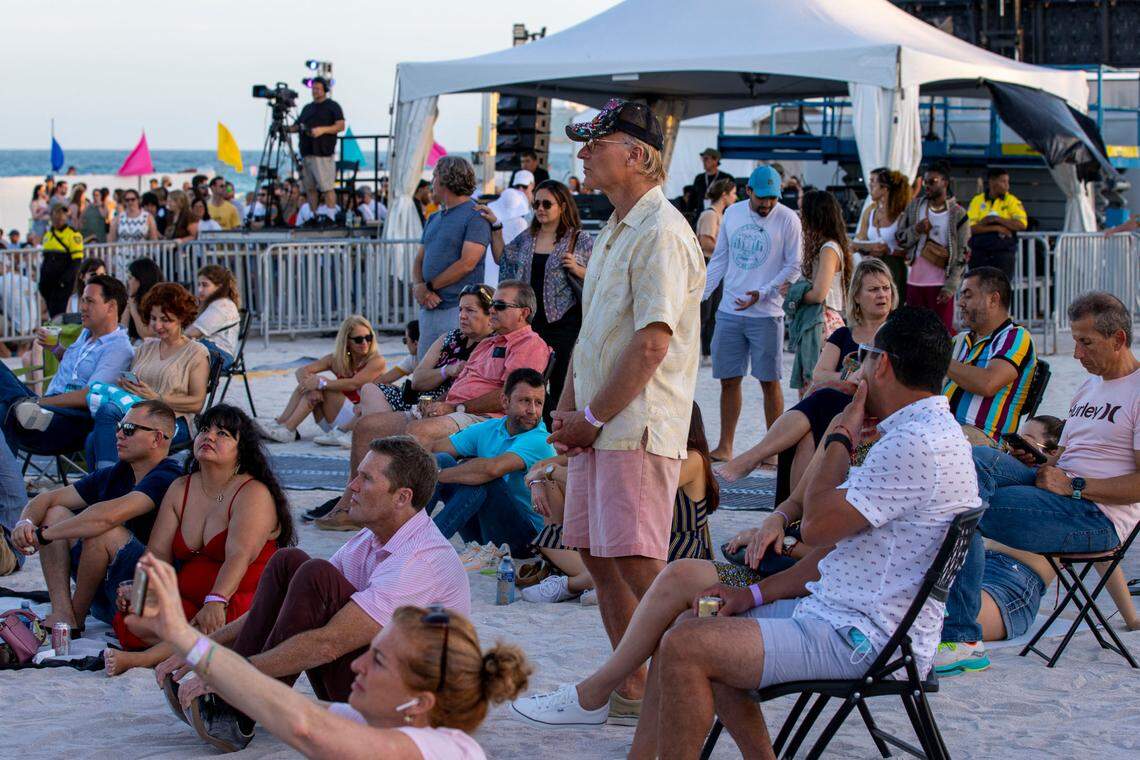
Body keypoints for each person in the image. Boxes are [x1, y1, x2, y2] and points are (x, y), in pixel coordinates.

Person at [160, 436, 471, 749]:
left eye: (366, 478)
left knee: (315, 573)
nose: (352, 485)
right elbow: (284, 607)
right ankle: (236, 703)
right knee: (290, 562)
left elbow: (328, 644)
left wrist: (231, 676)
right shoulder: (370, 538)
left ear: (402, 497)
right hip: (377, 677)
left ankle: (238, 706)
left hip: (411, 712)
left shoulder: (420, 560)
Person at [552, 98, 704, 723]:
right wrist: (569, 410)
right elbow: (596, 337)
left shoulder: (662, 231)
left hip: (634, 425)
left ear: (639, 155)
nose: (584, 153)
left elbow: (652, 343)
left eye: (597, 142)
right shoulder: (615, 229)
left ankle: (705, 679)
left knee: (642, 566)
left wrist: (588, 415)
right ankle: (636, 686)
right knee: (599, 556)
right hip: (602, 423)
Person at [130, 551, 525, 759]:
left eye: (378, 660)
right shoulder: (378, 721)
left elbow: (304, 725)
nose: (357, 663)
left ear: (420, 701)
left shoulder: (446, 751)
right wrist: (189, 644)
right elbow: (275, 703)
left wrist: (184, 636)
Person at [938, 291, 1140, 675]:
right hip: (1061, 489)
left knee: (966, 507)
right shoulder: (1090, 387)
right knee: (974, 459)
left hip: (1092, 516)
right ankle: (947, 615)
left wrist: (1075, 485)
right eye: (1075, 341)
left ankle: (962, 635)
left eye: (1086, 342)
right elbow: (1065, 458)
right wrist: (1041, 460)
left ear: (1118, 340)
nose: (1077, 354)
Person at [321, 282, 551, 530]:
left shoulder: (528, 345)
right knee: (367, 426)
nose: (492, 309)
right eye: (492, 304)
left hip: (483, 418)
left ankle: (402, 518)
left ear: (524, 313)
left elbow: (509, 396)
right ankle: (352, 505)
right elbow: (453, 384)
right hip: (456, 411)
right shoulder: (490, 343)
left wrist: (455, 408)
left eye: (499, 305)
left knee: (419, 434)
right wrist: (439, 404)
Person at [104, 405, 294, 676]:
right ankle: (185, 645)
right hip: (189, 596)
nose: (210, 437)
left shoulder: (253, 493)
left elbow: (239, 555)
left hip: (238, 594)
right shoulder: (181, 487)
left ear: (242, 450)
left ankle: (143, 660)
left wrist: (216, 600)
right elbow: (157, 554)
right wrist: (142, 588)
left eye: (223, 433)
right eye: (205, 429)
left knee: (215, 624)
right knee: (137, 619)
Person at [718, 258, 896, 494]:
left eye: (886, 288)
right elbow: (818, 375)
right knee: (807, 432)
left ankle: (756, 458)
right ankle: (794, 516)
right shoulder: (843, 335)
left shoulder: (896, 333)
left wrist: (844, 381)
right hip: (837, 410)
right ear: (856, 296)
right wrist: (846, 380)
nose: (882, 295)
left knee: (821, 402)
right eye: (873, 289)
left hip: (870, 414)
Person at [10, 401, 182, 631]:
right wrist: (26, 522)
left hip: (140, 597)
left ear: (157, 438)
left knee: (103, 532)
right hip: (105, 596)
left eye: (129, 429)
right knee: (56, 513)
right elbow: (48, 499)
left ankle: (76, 618)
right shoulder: (117, 473)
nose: (119, 433)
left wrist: (44, 535)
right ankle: (62, 612)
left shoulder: (169, 476)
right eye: (120, 426)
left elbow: (106, 518)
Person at [703, 165, 802, 461]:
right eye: (762, 198)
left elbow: (794, 265)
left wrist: (764, 291)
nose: (768, 204)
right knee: (728, 380)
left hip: (767, 314)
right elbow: (720, 259)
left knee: (769, 382)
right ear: (748, 192)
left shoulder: (788, 219)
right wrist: (701, 294)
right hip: (730, 310)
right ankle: (725, 445)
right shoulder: (732, 214)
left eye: (773, 198)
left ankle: (773, 451)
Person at [490, 179, 593, 423]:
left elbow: (604, 275)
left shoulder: (580, 239)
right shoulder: (527, 238)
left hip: (564, 323)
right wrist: (495, 227)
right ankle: (533, 429)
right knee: (530, 382)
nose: (540, 209)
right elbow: (503, 260)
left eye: (547, 203)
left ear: (563, 206)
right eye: (536, 203)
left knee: (560, 383)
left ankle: (558, 432)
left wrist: (579, 270)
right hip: (530, 324)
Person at [1, 275, 133, 457]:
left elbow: (91, 394)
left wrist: (40, 402)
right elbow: (78, 369)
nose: (82, 307)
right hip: (45, 408)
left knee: (5, 411)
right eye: (82, 300)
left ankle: (9, 477)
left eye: (90, 301)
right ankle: (19, 411)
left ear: (111, 306)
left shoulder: (118, 348)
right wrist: (55, 349)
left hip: (68, 421)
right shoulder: (87, 333)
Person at [428, 368, 554, 558]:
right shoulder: (489, 428)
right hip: (485, 532)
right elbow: (435, 450)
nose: (532, 411)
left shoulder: (539, 440)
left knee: (486, 479)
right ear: (505, 401)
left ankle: (423, 545)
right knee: (442, 460)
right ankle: (404, 532)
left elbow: (491, 469)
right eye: (525, 401)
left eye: (538, 403)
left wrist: (437, 475)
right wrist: (436, 470)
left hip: (526, 541)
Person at [84, 283, 210, 469]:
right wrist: (127, 385)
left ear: (182, 319)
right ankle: (111, 484)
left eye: (165, 319)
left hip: (174, 421)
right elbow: (133, 389)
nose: (157, 325)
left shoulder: (196, 353)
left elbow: (197, 403)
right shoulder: (146, 348)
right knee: (93, 437)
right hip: (138, 416)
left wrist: (157, 398)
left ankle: (106, 483)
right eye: (153, 318)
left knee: (107, 415)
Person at [943, 267, 1038, 441]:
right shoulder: (960, 340)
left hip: (984, 440)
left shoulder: (1015, 336)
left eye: (968, 295)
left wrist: (939, 359)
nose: (960, 302)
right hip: (947, 431)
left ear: (993, 299)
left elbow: (988, 383)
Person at [260, 315, 387, 444]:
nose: (365, 342)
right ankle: (282, 423)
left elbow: (353, 384)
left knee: (320, 382)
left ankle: (288, 429)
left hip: (358, 419)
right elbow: (301, 371)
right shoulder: (336, 359)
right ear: (347, 341)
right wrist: (313, 387)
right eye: (359, 339)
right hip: (334, 420)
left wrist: (321, 383)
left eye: (368, 337)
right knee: (310, 384)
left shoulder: (377, 361)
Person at [413, 156, 492, 360]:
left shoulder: (475, 216)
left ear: (446, 180)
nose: (431, 182)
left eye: (434, 176)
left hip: (456, 310)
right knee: (425, 373)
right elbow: (419, 258)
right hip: (429, 307)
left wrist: (429, 286)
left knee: (455, 374)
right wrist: (419, 286)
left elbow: (468, 263)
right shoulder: (433, 218)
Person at [895, 160, 969, 333]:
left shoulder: (958, 214)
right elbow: (900, 238)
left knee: (941, 333)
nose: (927, 186)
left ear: (945, 182)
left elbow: (963, 253)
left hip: (941, 283)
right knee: (914, 332)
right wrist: (916, 230)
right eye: (926, 182)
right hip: (914, 281)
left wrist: (950, 286)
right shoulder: (914, 207)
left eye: (932, 182)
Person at [852, 167, 911, 299]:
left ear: (884, 189)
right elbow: (859, 240)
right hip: (871, 271)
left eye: (873, 181)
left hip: (894, 271)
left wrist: (889, 250)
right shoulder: (870, 211)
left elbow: (910, 250)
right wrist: (865, 249)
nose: (870, 185)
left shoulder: (901, 214)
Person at [696, 178, 738, 363]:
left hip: (717, 265)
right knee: (704, 311)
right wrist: (727, 251)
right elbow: (706, 241)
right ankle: (700, 350)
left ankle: (708, 351)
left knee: (714, 311)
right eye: (733, 193)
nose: (735, 197)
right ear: (724, 195)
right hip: (708, 264)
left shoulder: (721, 216)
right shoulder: (710, 215)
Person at [288, 77, 345, 212]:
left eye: (318, 89)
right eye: (313, 89)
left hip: (323, 154)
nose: (315, 91)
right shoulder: (308, 108)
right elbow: (298, 126)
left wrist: (322, 130)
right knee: (310, 189)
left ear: (324, 90)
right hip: (307, 152)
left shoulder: (333, 106)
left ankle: (331, 215)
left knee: (327, 188)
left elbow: (340, 125)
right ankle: (314, 216)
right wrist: (287, 129)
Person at [967, 167, 1027, 280]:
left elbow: (1021, 224)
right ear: (992, 182)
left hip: (1003, 254)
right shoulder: (977, 201)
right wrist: (997, 228)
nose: (1007, 186)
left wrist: (996, 219)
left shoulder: (1011, 201)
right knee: (978, 287)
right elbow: (970, 228)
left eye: (1007, 182)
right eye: (1003, 181)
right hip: (979, 254)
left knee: (1001, 289)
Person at [480, 169, 534, 285]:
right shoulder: (520, 222)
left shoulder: (528, 217)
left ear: (532, 186)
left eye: (524, 187)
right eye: (518, 186)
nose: (520, 190)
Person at [185, 264, 242, 369]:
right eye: (199, 285)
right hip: (214, 352)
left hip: (220, 355)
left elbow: (192, 333)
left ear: (219, 287)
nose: (200, 289)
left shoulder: (221, 305)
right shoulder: (218, 303)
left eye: (205, 285)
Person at [39, 204, 85, 318]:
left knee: (60, 314)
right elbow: (46, 259)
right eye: (58, 213)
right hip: (48, 283)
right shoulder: (48, 235)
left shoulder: (73, 234)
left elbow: (76, 261)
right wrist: (42, 283)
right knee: (53, 314)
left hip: (62, 283)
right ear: (52, 215)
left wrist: (65, 281)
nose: (61, 217)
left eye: (63, 214)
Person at [122, 257, 165, 342]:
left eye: (130, 278)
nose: (127, 281)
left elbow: (147, 334)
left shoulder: (159, 301)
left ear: (141, 280)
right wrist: (128, 306)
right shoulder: (134, 299)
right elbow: (123, 331)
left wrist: (133, 309)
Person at [688, 148, 734, 215]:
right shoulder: (699, 178)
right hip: (700, 216)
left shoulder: (726, 178)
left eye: (706, 159)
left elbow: (731, 198)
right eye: (702, 159)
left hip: (720, 216)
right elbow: (692, 199)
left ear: (715, 160)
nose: (703, 161)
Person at [375, 319, 419, 386]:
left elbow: (382, 381)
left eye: (405, 340)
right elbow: (383, 380)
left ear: (415, 344)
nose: (405, 344)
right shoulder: (412, 358)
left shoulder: (414, 359)